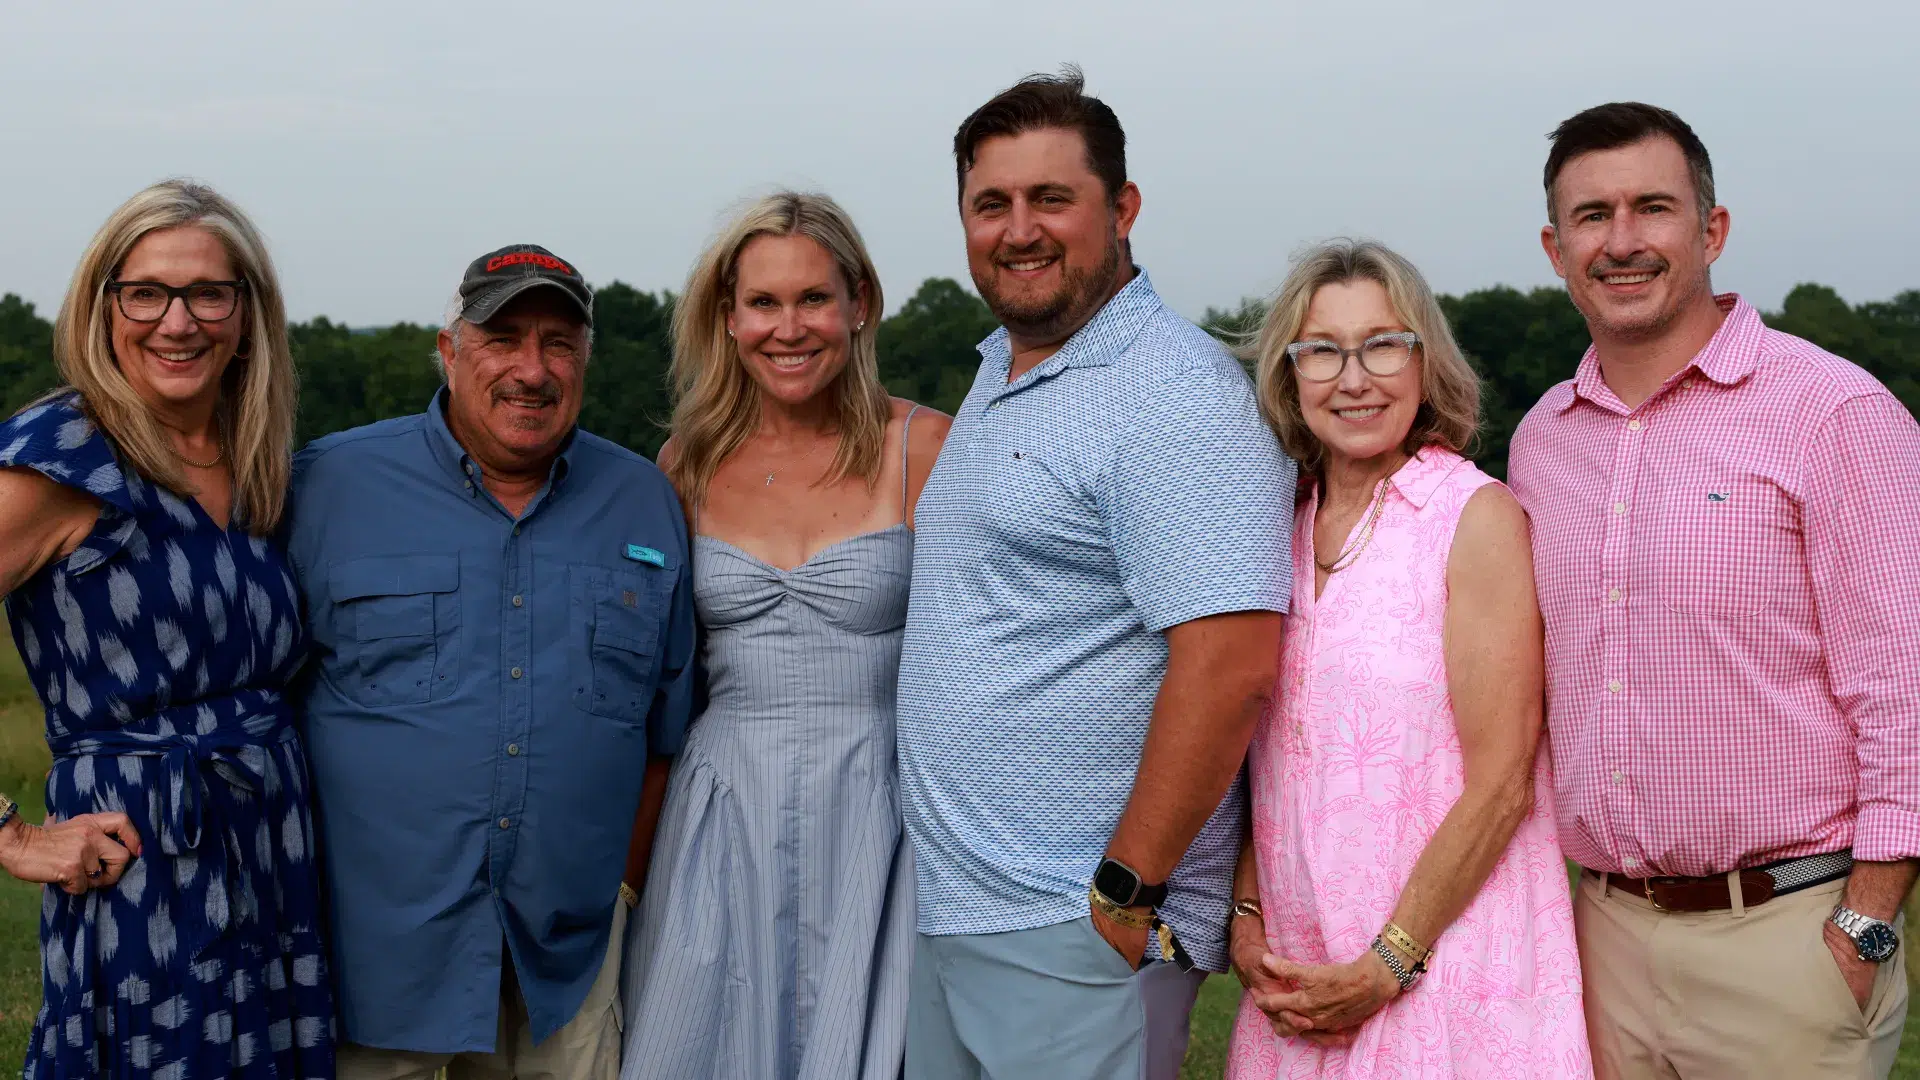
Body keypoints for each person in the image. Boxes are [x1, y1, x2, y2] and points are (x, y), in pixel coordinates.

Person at [896, 68, 1297, 1080]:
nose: (1018, 229)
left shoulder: (1174, 393)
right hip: (962, 911)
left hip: (1078, 926)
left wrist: (1126, 890)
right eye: (992, 204)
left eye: (1051, 199)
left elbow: (1232, 660)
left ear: (1122, 209)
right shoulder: (1004, 367)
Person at [1510, 102, 1919, 1079]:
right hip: (1600, 935)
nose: (1622, 241)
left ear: (1712, 229)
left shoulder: (1836, 413)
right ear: (1554, 247)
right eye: (1591, 215)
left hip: (1786, 937)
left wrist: (1867, 922)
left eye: (1652, 207)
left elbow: (1902, 683)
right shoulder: (1541, 441)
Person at [284, 245, 693, 1080]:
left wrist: (620, 892)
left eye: (558, 344)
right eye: (503, 338)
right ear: (450, 351)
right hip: (370, 953)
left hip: (564, 960)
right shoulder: (326, 487)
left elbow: (665, 730)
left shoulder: (645, 500)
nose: (531, 370)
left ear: (586, 360)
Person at [1223, 239, 1592, 1077]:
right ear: (1289, 375)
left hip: (1451, 979)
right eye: (1323, 350)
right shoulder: (1272, 530)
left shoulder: (1474, 518)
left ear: (1427, 361)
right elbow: (1270, 759)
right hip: (1300, 989)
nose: (1355, 378)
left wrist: (1389, 961)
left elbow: (1502, 783)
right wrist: (1247, 919)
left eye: (1384, 344)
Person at [0, 179, 335, 1079]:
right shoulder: (62, 456)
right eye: (145, 292)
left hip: (273, 850)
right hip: (141, 860)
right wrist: (15, 837)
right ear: (103, 306)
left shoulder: (255, 453)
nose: (177, 322)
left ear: (248, 313)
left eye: (207, 293)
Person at [617, 191, 950, 1080]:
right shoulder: (682, 464)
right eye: (763, 302)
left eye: (813, 298)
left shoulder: (927, 447)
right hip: (723, 815)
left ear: (859, 304)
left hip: (880, 813)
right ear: (727, 319)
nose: (788, 326)